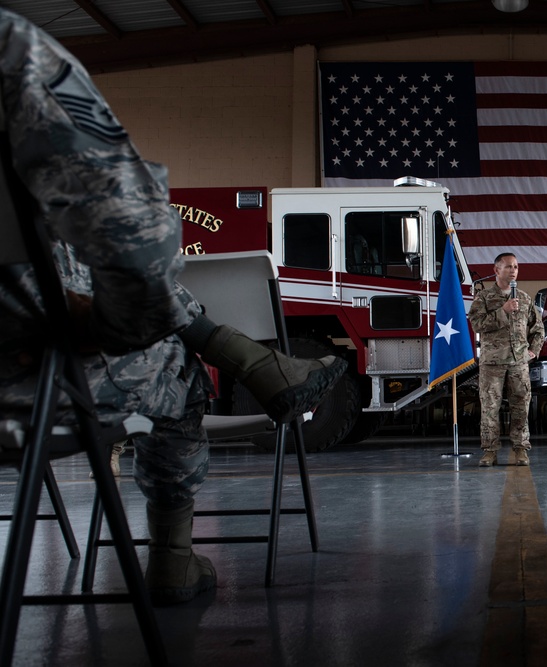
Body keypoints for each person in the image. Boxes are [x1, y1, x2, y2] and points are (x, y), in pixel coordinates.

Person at [0, 8, 347, 606]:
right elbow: (134, 238)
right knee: (176, 371)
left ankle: (251, 362)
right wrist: (99, 324)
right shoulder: (10, 51)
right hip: (31, 381)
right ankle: (172, 561)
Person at [469, 252, 543, 467]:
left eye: (516, 267)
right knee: (490, 408)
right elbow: (477, 324)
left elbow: (537, 329)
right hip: (492, 363)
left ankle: (521, 449)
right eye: (509, 266)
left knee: (521, 406)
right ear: (496, 270)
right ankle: (490, 451)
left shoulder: (524, 298)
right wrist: (502, 311)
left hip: (518, 363)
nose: (513, 271)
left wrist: (532, 351)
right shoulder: (484, 298)